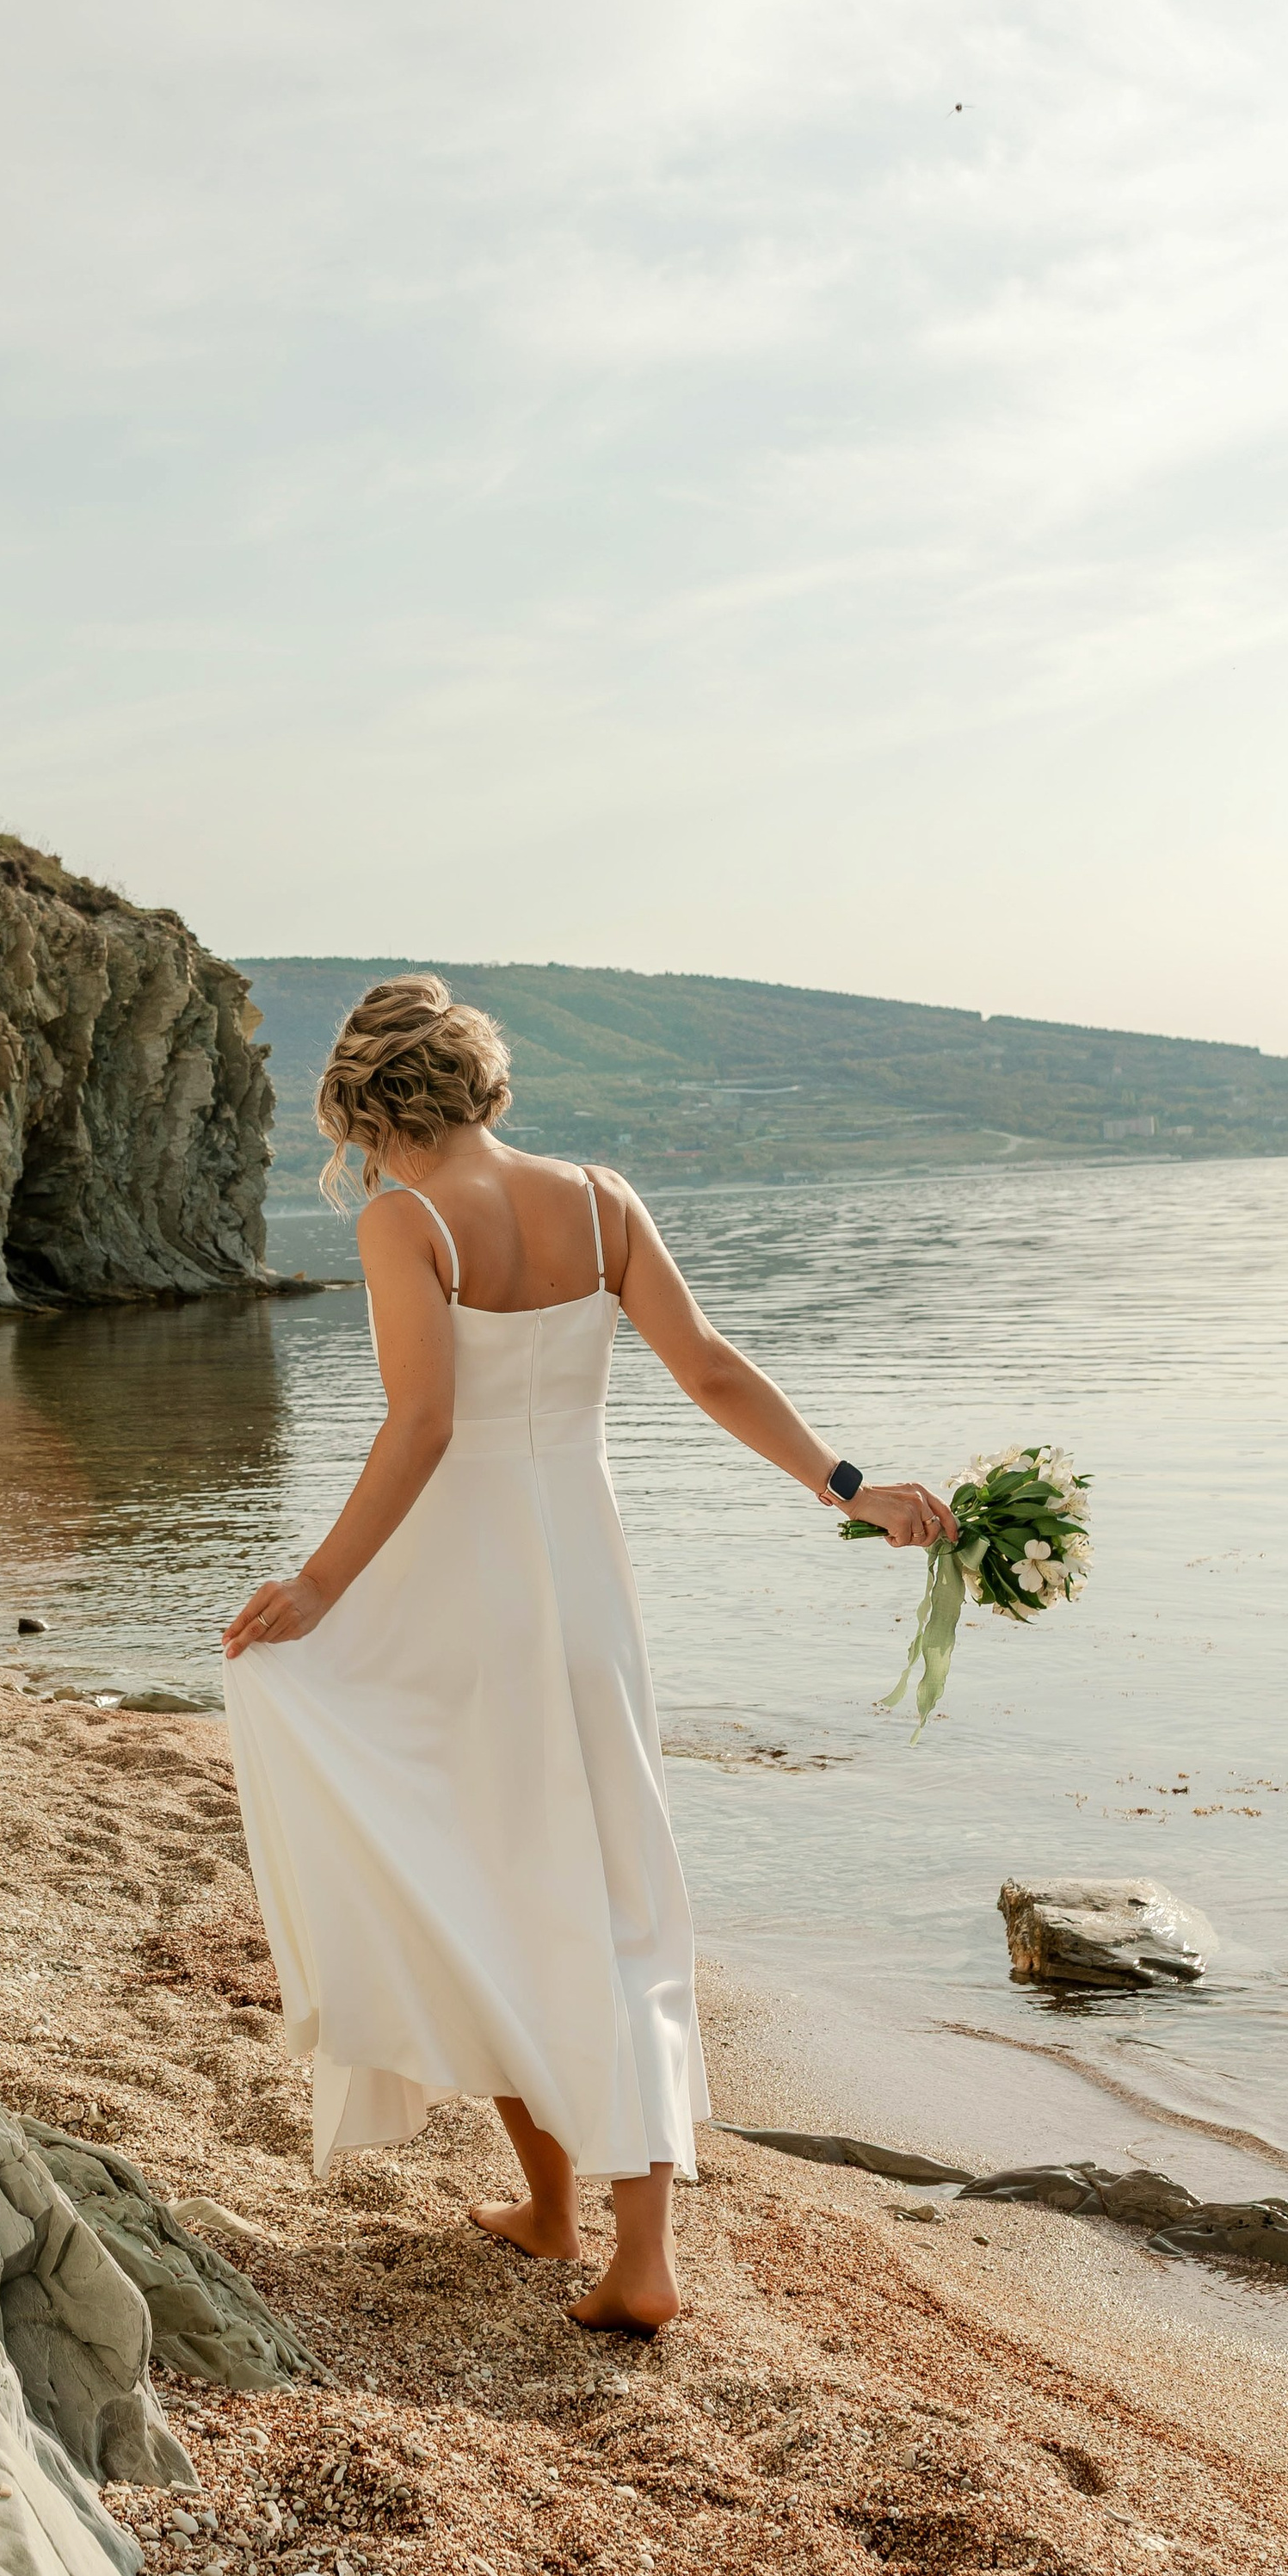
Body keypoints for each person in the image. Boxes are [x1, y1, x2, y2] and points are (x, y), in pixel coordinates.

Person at [220, 976, 956, 2336]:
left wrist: (318, 1587)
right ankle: (587, 2227)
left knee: (474, 1870)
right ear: (482, 1084)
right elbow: (715, 1367)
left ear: (368, 1108)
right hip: (591, 1582)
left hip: (469, 1587)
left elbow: (424, 1426)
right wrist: (847, 1485)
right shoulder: (603, 1198)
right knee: (608, 1880)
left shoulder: (406, 1219)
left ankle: (604, 2236)